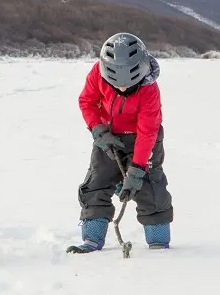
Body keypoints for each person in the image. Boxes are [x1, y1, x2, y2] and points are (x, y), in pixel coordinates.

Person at [67, 32, 173, 253]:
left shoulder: (149, 90)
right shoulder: (98, 72)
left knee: (150, 188)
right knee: (97, 182)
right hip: (108, 135)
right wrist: (98, 130)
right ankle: (92, 239)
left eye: (128, 85)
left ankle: (158, 242)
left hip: (143, 138)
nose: (122, 89)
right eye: (116, 85)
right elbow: (87, 101)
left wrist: (137, 168)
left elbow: (147, 131)